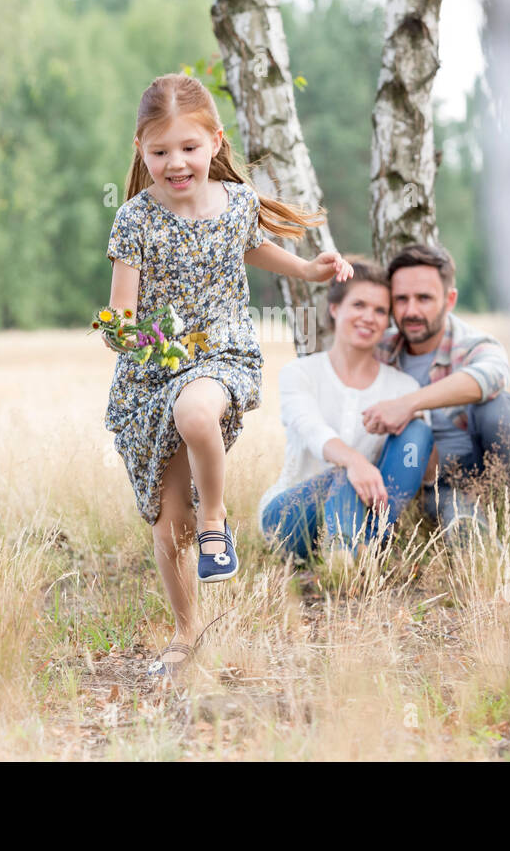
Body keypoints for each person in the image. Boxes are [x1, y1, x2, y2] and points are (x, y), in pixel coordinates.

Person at [103, 73, 352, 678]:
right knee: (168, 527)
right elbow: (121, 320)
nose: (176, 162)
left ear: (215, 142)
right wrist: (129, 335)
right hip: (154, 369)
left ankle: (217, 523)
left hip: (222, 353)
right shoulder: (134, 220)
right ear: (141, 149)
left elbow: (252, 245)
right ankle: (188, 633)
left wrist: (309, 270)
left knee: (196, 413)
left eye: (188, 147)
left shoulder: (237, 202)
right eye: (160, 151)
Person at [258, 259, 435, 563]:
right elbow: (313, 430)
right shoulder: (299, 374)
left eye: (380, 311)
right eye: (359, 305)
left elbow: (416, 459)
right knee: (342, 477)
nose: (369, 317)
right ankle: (349, 551)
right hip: (292, 517)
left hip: (367, 515)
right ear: (335, 308)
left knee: (418, 430)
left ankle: (358, 549)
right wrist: (355, 462)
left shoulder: (403, 387)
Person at [363, 244, 510, 539]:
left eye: (424, 298)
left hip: (484, 462)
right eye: (401, 299)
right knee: (465, 529)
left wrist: (408, 403)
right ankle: (475, 538)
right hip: (435, 481)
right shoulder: (378, 352)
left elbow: (492, 375)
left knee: (497, 407)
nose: (411, 310)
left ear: (449, 299)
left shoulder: (474, 344)